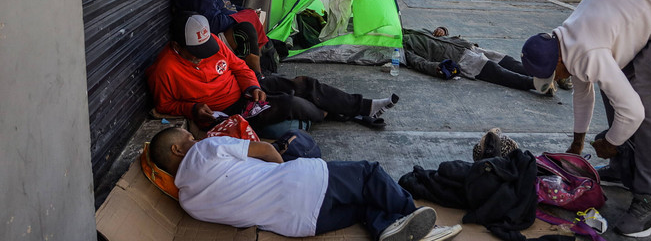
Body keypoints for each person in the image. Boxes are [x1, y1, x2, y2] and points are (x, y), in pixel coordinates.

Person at [520, 0, 651, 237]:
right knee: (616, 88)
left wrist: (611, 141)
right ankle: (624, 168)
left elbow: (633, 113)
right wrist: (578, 142)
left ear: (559, 61)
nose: (557, 80)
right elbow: (583, 93)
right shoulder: (566, 40)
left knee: (650, 103)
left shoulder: (588, 50)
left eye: (554, 75)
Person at [149, 127, 462, 240]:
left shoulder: (189, 204)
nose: (194, 137)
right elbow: (267, 150)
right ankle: (414, 219)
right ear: (177, 149)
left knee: (364, 205)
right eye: (187, 137)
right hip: (305, 184)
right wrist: (284, 174)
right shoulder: (206, 148)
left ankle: (387, 229)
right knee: (369, 173)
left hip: (301, 225)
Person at [146, 12, 400, 132]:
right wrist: (191, 109)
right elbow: (164, 104)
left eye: (206, 48)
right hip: (229, 112)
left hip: (247, 91)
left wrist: (253, 86)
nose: (205, 55)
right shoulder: (164, 70)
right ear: (178, 46)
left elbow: (239, 66)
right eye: (196, 52)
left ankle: (364, 107)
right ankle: (342, 112)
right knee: (291, 103)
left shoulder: (210, 43)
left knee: (304, 84)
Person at [403, 27, 570, 94]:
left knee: (507, 61)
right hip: (459, 59)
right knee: (496, 72)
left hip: (467, 46)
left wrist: (442, 30)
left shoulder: (413, 30)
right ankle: (536, 85)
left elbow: (440, 33)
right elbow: (418, 62)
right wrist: (436, 68)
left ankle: (549, 76)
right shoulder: (403, 46)